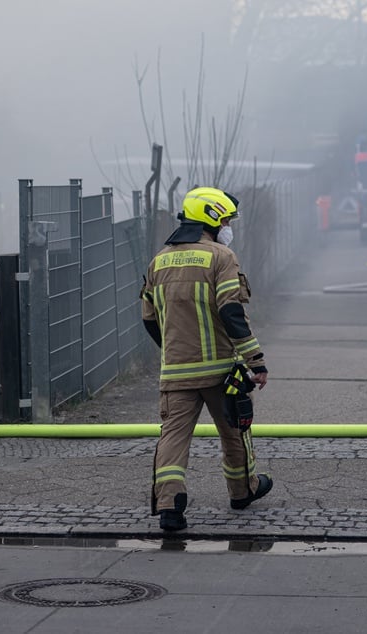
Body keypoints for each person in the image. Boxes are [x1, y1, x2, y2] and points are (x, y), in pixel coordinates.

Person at [140, 187, 272, 532]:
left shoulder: (159, 260)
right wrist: (254, 360)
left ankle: (169, 507)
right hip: (219, 372)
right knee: (234, 432)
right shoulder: (220, 256)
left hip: (176, 371)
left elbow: (149, 320)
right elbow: (231, 312)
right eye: (226, 219)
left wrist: (174, 352)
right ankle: (242, 492)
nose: (229, 226)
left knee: (172, 437)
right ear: (212, 217)